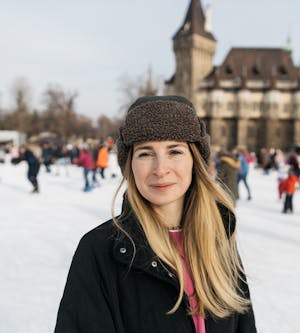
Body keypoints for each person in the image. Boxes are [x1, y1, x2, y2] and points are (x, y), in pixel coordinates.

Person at [55, 95, 257, 333]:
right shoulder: (99, 250)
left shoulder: (219, 237)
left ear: (195, 160)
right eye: (145, 153)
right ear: (130, 164)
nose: (161, 169)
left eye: (174, 151)